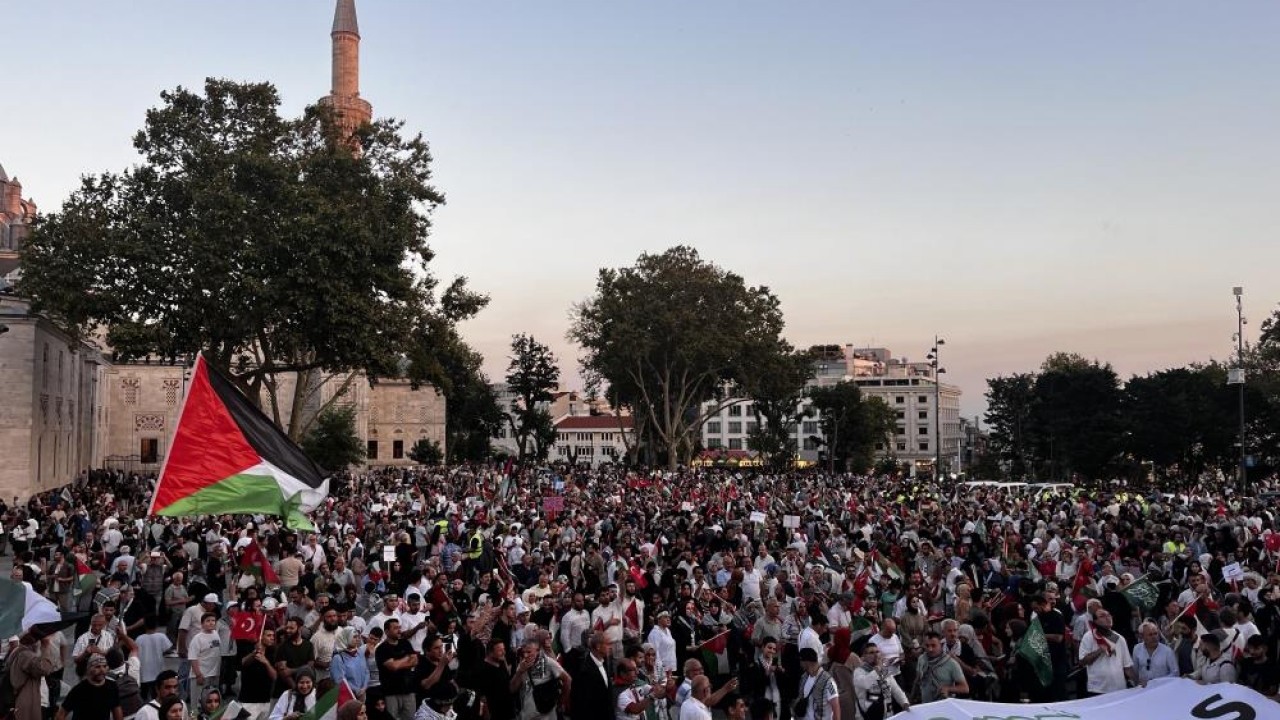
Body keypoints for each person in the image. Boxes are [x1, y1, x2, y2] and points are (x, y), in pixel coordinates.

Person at [1077, 609, 1134, 695]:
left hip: (1119, 688)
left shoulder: (1119, 638)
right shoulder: (1089, 637)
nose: (1107, 618)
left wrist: (1138, 682)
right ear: (1095, 621)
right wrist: (1099, 651)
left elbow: (1127, 667)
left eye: (1109, 615)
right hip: (1098, 689)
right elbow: (1082, 662)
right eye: (1102, 616)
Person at [9, 628, 59, 720]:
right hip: (29, 702)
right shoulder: (25, 655)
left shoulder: (19, 652)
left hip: (27, 700)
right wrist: (45, 646)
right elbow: (44, 669)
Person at [850, 643, 909, 720]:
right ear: (864, 657)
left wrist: (904, 702)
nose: (876, 655)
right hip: (867, 715)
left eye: (877, 652)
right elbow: (866, 684)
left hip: (887, 714)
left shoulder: (884, 670)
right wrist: (878, 669)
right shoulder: (859, 672)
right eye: (871, 653)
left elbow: (895, 689)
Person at [375, 619, 418, 720]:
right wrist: (406, 658)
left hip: (408, 690)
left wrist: (398, 663)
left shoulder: (405, 643)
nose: (399, 631)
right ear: (386, 631)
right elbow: (393, 667)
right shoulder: (382, 649)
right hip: (391, 692)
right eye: (395, 628)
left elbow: (415, 661)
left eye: (399, 628)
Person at [56, 655, 123, 720]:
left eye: (104, 666)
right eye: (97, 667)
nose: (102, 670)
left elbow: (117, 710)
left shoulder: (112, 687)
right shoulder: (78, 690)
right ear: (89, 669)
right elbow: (61, 714)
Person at [570, 632, 615, 719]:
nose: (610, 647)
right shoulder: (583, 670)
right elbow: (581, 702)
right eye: (608, 644)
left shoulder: (604, 662)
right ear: (598, 646)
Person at [188, 613, 223, 708]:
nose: (211, 623)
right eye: (208, 621)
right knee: (197, 703)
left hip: (214, 674)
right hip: (202, 675)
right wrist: (198, 675)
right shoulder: (197, 638)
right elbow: (193, 658)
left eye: (213, 621)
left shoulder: (215, 633)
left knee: (211, 702)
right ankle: (194, 716)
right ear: (202, 623)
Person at [794, 647, 838, 720]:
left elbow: (836, 708)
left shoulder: (828, 681)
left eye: (800, 661)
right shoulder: (804, 678)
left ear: (806, 662)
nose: (800, 664)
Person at [1131, 622, 1178, 686]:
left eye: (1155, 634)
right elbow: (1134, 671)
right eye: (1150, 635)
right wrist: (1138, 682)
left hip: (1162, 687)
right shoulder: (1137, 649)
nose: (1154, 637)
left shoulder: (1167, 651)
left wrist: (1159, 681)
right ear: (1142, 636)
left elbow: (1175, 673)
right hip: (1144, 688)